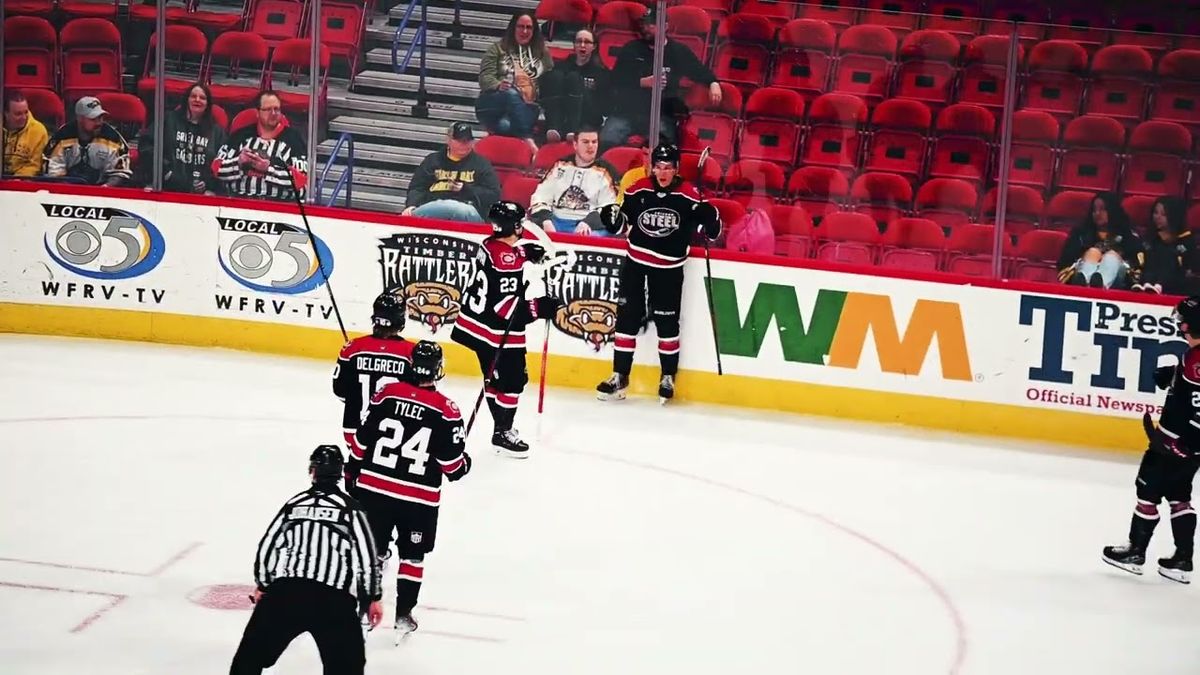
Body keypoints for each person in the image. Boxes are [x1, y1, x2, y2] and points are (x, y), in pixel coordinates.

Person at [349, 340, 471, 639]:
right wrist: (464, 461)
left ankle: (366, 604)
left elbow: (360, 443)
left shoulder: (386, 395)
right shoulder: (447, 410)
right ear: (437, 370)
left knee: (373, 551)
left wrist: (352, 471)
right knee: (412, 556)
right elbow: (453, 468)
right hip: (418, 499)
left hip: (374, 489)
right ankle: (404, 613)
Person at [230, 445, 382, 675]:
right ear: (340, 473)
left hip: (287, 594)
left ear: (313, 471)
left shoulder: (294, 504)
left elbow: (268, 547)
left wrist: (264, 584)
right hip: (333, 599)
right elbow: (367, 559)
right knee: (347, 668)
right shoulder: (351, 509)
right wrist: (373, 598)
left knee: (248, 659)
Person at [596, 143, 722, 403]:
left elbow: (712, 233)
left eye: (668, 168)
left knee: (667, 322)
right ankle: (620, 374)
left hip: (668, 269)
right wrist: (611, 219)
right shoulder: (637, 189)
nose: (662, 173)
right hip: (635, 264)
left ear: (676, 170)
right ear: (652, 167)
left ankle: (667, 377)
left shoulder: (689, 195)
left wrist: (712, 219)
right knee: (627, 319)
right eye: (658, 167)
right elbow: (621, 224)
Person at [450, 201, 562, 456]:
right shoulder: (506, 261)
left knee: (494, 379)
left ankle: (500, 427)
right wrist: (539, 307)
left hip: (475, 327)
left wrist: (524, 253)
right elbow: (505, 310)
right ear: (512, 226)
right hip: (495, 332)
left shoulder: (490, 247)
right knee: (512, 382)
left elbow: (504, 260)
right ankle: (503, 431)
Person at [1102, 296, 1200, 584]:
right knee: (1180, 496)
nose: (1177, 325)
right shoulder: (1191, 359)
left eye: (1181, 321)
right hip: (1187, 447)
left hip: (1173, 444)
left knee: (1147, 491)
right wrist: (1174, 377)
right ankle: (1182, 560)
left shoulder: (1196, 361)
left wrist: (1186, 443)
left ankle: (1136, 551)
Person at [601, 4, 722, 149]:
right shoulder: (631, 49)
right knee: (607, 138)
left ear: (665, 26)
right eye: (645, 24)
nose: (646, 28)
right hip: (627, 112)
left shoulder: (677, 51)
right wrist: (642, 83)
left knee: (664, 147)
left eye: (652, 25)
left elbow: (699, 71)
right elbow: (615, 80)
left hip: (661, 114)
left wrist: (713, 83)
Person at [333, 292, 414, 463]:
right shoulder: (411, 353)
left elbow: (339, 391)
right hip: (394, 437)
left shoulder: (352, 348)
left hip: (353, 433)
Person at [212, 90, 308, 202]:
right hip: (238, 203)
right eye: (268, 109)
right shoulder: (240, 136)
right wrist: (239, 163)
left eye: (276, 109)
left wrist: (268, 169)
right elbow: (216, 168)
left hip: (278, 207)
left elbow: (301, 180)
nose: (273, 113)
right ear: (257, 112)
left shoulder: (294, 139)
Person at [476, 11, 553, 149]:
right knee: (510, 93)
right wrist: (497, 84)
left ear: (534, 31)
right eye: (520, 26)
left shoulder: (541, 53)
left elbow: (549, 78)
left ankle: (519, 131)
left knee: (506, 127)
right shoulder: (497, 49)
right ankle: (527, 138)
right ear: (513, 28)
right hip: (495, 103)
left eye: (529, 27)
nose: (524, 31)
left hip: (525, 107)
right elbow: (484, 78)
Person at [137, 82, 227, 194]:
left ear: (208, 104)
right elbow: (146, 147)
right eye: (193, 96)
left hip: (202, 194)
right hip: (166, 186)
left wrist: (209, 184)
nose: (197, 100)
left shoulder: (217, 131)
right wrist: (165, 173)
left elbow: (222, 162)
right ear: (186, 100)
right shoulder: (168, 120)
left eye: (202, 98)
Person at [403, 122, 501, 223]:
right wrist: (411, 205)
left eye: (467, 141)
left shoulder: (481, 164)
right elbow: (417, 187)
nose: (463, 144)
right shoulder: (432, 160)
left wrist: (465, 189)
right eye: (459, 140)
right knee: (410, 215)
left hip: (468, 210)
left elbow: (493, 195)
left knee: (457, 208)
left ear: (473, 142)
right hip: (433, 206)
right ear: (448, 140)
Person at [528, 126, 619, 235]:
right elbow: (540, 196)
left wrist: (588, 223)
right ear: (575, 145)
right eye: (585, 142)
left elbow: (609, 207)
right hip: (555, 220)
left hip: (588, 225)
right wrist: (545, 220)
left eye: (594, 142)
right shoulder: (560, 165)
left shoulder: (606, 171)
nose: (591, 146)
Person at [1057, 192, 1143, 290]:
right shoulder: (1081, 234)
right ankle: (1086, 284)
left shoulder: (1128, 236)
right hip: (1083, 268)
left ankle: (1100, 286)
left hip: (1119, 278)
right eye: (1094, 210)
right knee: (1093, 252)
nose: (1097, 213)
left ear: (1112, 211)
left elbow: (1136, 265)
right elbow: (1066, 260)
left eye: (1102, 209)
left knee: (1111, 257)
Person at [42, 96, 132, 186]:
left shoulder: (113, 139)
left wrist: (104, 188)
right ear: (80, 118)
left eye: (101, 117)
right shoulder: (61, 137)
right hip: (67, 191)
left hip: (102, 192)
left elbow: (119, 174)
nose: (99, 123)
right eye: (93, 119)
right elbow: (53, 174)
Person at [539, 29, 608, 144]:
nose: (582, 45)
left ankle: (573, 129)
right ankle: (554, 127)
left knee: (574, 78)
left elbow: (602, 105)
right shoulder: (561, 66)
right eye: (578, 41)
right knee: (555, 76)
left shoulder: (601, 72)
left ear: (594, 46)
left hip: (587, 117)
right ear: (574, 45)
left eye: (587, 42)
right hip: (562, 112)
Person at [1131, 196, 1200, 296]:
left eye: (1163, 214)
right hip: (1148, 278)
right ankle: (1146, 284)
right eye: (1156, 213)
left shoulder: (1186, 238)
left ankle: (1159, 286)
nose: (1158, 217)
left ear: (1174, 216)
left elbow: (1191, 264)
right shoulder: (1150, 236)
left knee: (1168, 254)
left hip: (1176, 281)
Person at [3, 89, 49, 177]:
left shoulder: (38, 131)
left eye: (26, 112)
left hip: (23, 181)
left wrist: (16, 180)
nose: (24, 117)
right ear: (6, 113)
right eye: (18, 114)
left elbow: (34, 165)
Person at [617, 140, 651, 205]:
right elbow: (621, 204)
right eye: (645, 154)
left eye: (652, 155)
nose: (649, 159)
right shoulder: (631, 176)